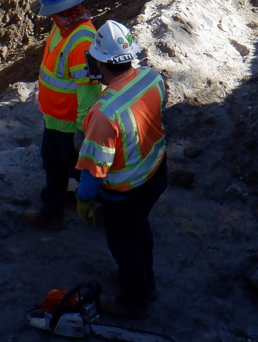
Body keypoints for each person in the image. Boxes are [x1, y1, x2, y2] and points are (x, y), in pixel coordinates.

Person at [75, 20, 168, 320]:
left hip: (126, 193)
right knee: (140, 230)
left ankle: (134, 300)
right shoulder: (152, 78)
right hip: (155, 172)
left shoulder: (104, 112)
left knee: (124, 246)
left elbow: (94, 168)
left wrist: (83, 197)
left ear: (100, 62)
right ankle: (144, 280)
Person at [22, 0, 102, 231]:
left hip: (70, 123)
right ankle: (52, 213)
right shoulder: (62, 27)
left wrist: (83, 129)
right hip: (54, 117)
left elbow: (88, 91)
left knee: (79, 170)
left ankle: (107, 212)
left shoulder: (83, 41)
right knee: (53, 164)